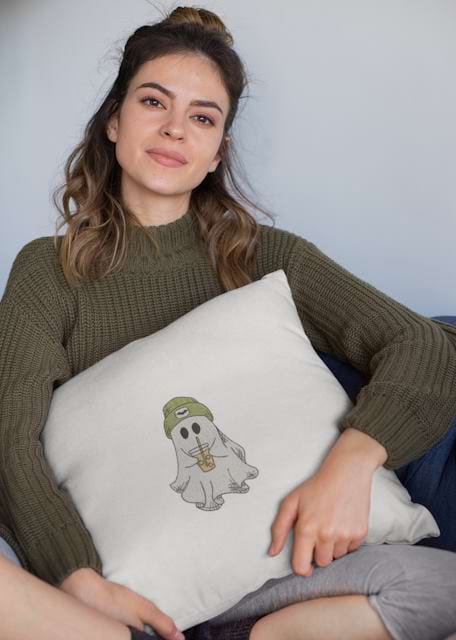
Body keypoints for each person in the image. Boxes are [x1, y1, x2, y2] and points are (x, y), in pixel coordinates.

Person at [1, 6, 456, 640]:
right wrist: (79, 578)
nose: (175, 130)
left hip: (289, 569)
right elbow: (9, 436)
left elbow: (425, 346)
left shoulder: (266, 257)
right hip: (133, 591)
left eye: (202, 117)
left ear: (219, 151)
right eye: (153, 102)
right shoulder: (47, 270)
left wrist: (350, 464)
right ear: (114, 121)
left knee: (442, 587)